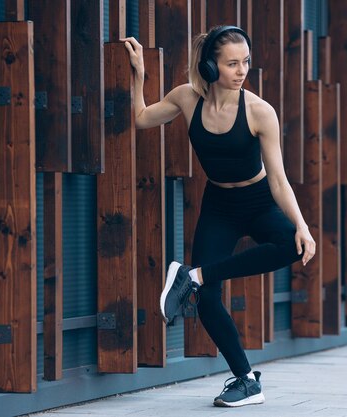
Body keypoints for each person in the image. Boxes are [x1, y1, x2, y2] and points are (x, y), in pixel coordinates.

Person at [123, 25, 316, 408]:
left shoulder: (260, 111)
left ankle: (191, 275)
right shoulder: (187, 99)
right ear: (210, 66)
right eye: (231, 63)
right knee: (207, 299)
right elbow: (143, 118)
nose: (242, 70)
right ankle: (246, 380)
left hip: (258, 201)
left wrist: (302, 225)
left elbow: (278, 179)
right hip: (219, 206)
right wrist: (139, 74)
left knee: (292, 246)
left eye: (245, 61)